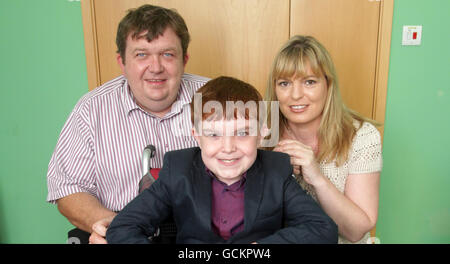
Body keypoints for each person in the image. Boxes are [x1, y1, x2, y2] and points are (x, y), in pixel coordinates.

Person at [46, 4, 209, 244]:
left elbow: (259, 169)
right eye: (141, 54)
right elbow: (68, 190)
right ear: (122, 62)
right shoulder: (91, 109)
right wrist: (118, 229)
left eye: (167, 54)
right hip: (116, 224)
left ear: (184, 59)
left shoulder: (218, 98)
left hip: (203, 230)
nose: (155, 67)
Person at [105, 76, 338, 244]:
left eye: (243, 133)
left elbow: (323, 229)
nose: (228, 148)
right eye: (214, 134)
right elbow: (123, 227)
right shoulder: (178, 168)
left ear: (261, 134)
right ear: (196, 135)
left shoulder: (276, 170)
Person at [265, 35, 382, 244]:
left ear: (328, 85)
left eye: (309, 82)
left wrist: (317, 177)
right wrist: (273, 173)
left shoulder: (362, 136)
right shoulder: (261, 135)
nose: (296, 95)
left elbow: (355, 232)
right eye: (284, 83)